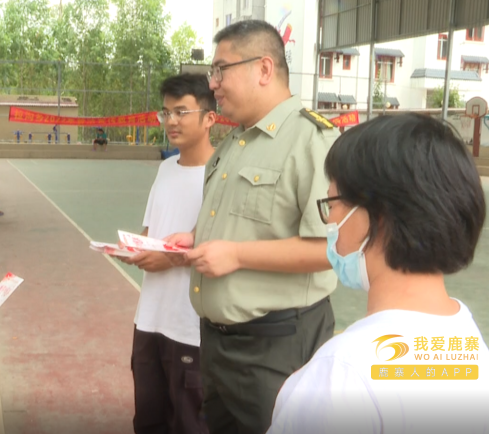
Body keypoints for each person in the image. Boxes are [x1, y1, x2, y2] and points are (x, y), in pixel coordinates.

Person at [267, 114, 489, 433]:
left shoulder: (341, 373)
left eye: (333, 204)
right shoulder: (467, 342)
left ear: (377, 216)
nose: (330, 221)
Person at [166, 20, 339, 434]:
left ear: (263, 68)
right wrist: (194, 239)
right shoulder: (232, 145)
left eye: (221, 70)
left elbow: (331, 248)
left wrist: (236, 256)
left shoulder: (313, 141)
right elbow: (242, 221)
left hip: (276, 349)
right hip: (218, 345)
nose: (213, 83)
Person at [120, 74, 216, 434]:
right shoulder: (164, 169)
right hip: (149, 320)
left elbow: (220, 243)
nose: (171, 121)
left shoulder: (221, 175)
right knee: (148, 421)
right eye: (166, 113)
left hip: (189, 326)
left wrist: (168, 259)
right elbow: (150, 233)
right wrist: (133, 248)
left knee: (189, 424)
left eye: (181, 112)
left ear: (209, 118)